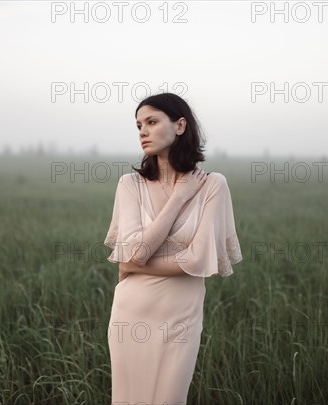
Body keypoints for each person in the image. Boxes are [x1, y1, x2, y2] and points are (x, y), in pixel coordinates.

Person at [104, 92, 243, 404]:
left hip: (181, 320)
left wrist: (132, 264)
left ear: (180, 125)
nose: (142, 131)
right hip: (130, 316)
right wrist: (179, 196)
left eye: (151, 122)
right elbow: (135, 252)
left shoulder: (212, 185)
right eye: (139, 124)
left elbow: (197, 260)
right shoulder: (130, 185)